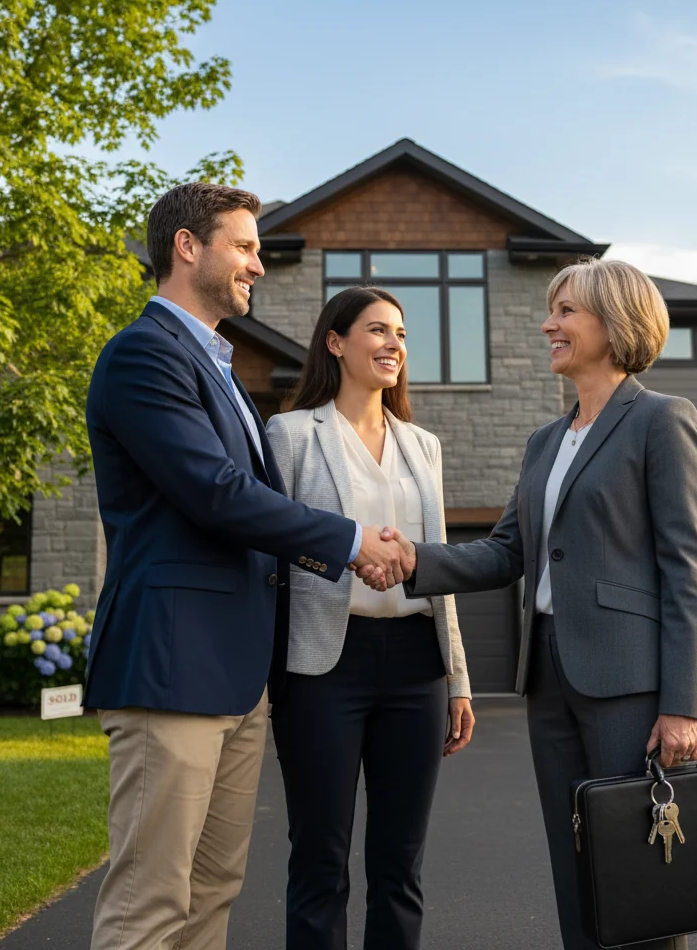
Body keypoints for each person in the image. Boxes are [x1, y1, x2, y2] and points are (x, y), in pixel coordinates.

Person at [84, 184, 412, 950]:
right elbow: (216, 494)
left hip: (234, 676)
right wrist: (351, 541)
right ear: (186, 248)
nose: (257, 265)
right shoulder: (143, 355)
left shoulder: (225, 372)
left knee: (210, 895)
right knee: (149, 903)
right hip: (171, 667)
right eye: (243, 246)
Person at [362, 258, 697, 950]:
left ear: (615, 324)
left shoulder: (662, 421)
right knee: (575, 857)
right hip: (548, 677)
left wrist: (685, 704)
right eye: (551, 310)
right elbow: (506, 550)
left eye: (566, 312)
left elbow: (689, 569)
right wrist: (414, 560)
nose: (549, 323)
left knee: (641, 867)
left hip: (631, 684)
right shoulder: (545, 441)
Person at [265, 285, 474, 950]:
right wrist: (350, 557)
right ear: (336, 341)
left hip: (417, 663)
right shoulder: (292, 434)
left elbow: (435, 563)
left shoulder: (424, 445)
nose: (394, 346)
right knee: (321, 861)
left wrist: (459, 679)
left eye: (401, 335)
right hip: (326, 663)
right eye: (378, 331)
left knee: (399, 866)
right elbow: (274, 540)